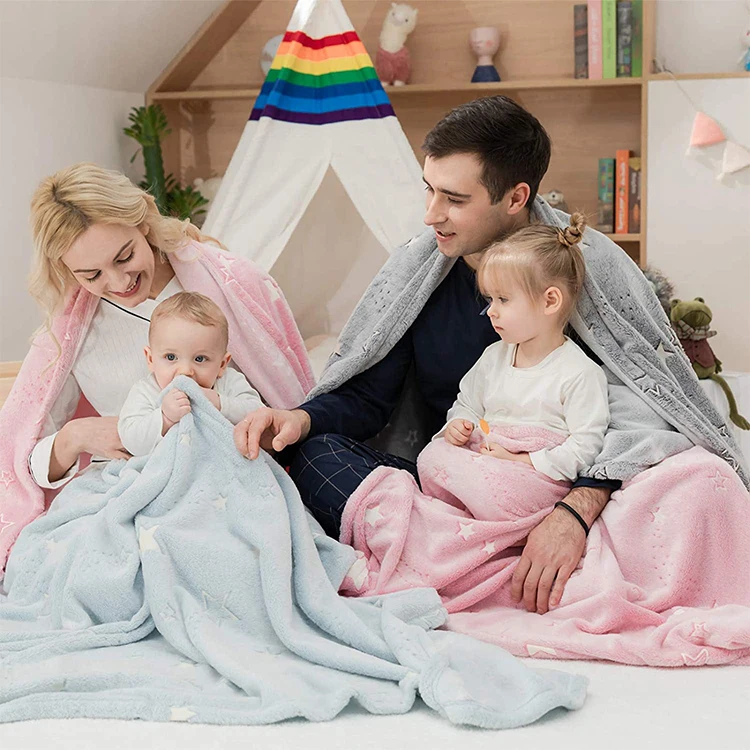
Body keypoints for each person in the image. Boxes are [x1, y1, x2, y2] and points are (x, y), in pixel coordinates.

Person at [235, 95, 746, 617]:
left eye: (454, 199)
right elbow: (368, 396)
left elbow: (645, 400)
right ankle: (508, 570)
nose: (431, 215)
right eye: (429, 190)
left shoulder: (584, 268)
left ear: (516, 197)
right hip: (459, 493)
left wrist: (576, 510)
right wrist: (300, 419)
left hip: (574, 480)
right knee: (316, 457)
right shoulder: (417, 272)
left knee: (703, 480)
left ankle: (463, 569)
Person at [0, 163, 313, 574]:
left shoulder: (232, 286)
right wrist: (75, 437)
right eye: (91, 274)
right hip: (126, 490)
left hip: (226, 484)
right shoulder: (71, 331)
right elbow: (21, 462)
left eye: (125, 256)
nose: (118, 282)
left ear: (143, 224)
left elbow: (293, 410)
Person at [444, 213, 610, 488]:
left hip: (533, 479)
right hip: (484, 463)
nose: (491, 311)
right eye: (490, 299)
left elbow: (585, 447)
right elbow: (468, 404)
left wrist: (521, 461)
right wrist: (461, 424)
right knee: (433, 456)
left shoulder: (579, 373)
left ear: (550, 301)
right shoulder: (493, 358)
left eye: (503, 299)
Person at [118, 292, 263, 457]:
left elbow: (259, 415)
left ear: (222, 364)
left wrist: (219, 403)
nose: (185, 371)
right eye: (171, 357)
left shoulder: (228, 382)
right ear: (150, 359)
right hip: (171, 467)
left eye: (200, 359)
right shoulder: (146, 391)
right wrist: (165, 418)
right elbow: (131, 440)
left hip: (223, 463)